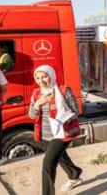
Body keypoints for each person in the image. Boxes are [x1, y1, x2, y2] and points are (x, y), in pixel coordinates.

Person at [28, 65, 83, 195]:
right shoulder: (36, 93)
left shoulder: (64, 90)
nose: (41, 80)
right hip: (44, 134)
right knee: (60, 156)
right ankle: (74, 174)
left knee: (48, 164)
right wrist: (38, 104)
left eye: (44, 76)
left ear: (51, 76)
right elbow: (31, 115)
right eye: (38, 78)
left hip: (61, 133)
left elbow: (76, 111)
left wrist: (63, 120)